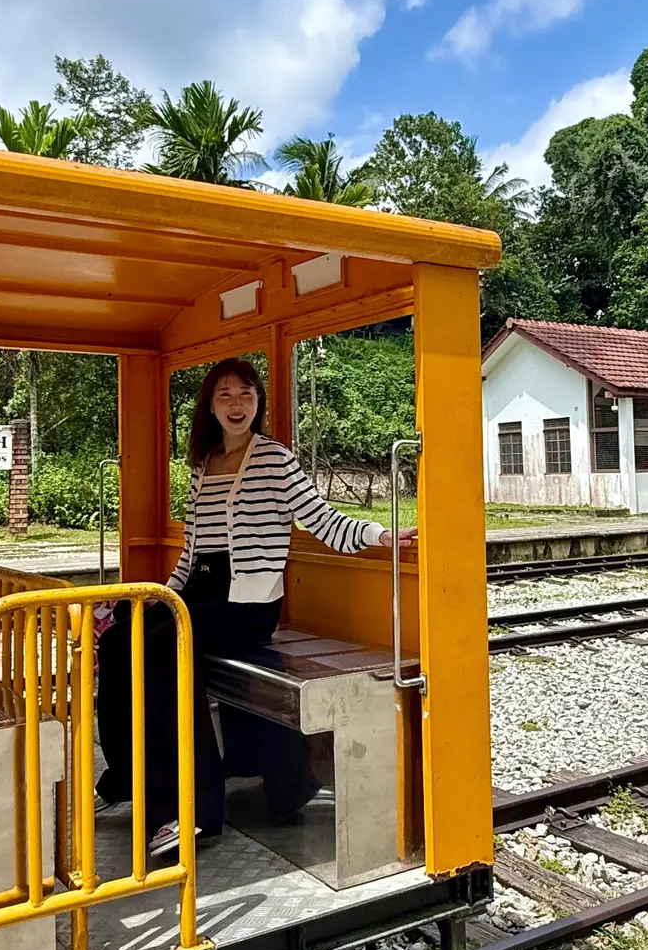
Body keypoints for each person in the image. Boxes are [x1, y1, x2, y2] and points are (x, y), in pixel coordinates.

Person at [96, 356, 414, 856]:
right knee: (117, 641)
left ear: (258, 401)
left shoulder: (274, 459)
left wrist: (381, 535)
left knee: (162, 656)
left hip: (245, 600)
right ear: (210, 405)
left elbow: (320, 517)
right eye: (224, 395)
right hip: (198, 592)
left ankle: (188, 811)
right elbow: (193, 551)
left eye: (245, 393)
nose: (236, 404)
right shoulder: (202, 464)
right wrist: (158, 597)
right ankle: (126, 779)